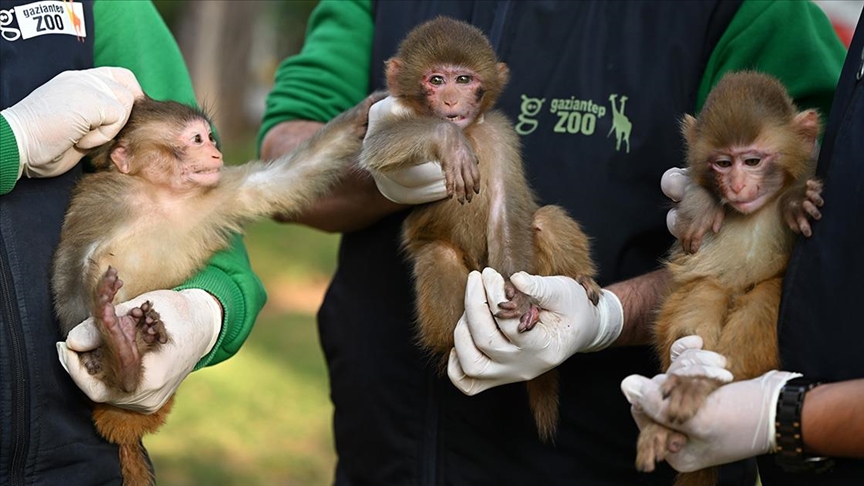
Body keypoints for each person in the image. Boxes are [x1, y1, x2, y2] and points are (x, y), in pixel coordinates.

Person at [258, 1, 845, 483]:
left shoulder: (754, 11)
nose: (455, 98)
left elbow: (823, 221)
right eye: (438, 83)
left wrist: (607, 316)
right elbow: (283, 153)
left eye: (467, 83)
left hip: (612, 451)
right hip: (383, 445)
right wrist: (386, 166)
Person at [0, 1, 266, 483]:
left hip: (77, 443)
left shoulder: (105, 7)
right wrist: (10, 143)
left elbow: (204, 198)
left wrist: (205, 312)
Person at [620, 14, 864, 485]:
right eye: (722, 165)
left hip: (773, 303)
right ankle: (680, 400)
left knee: (762, 307)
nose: (737, 182)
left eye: (753, 162)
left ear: (805, 134)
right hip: (707, 288)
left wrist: (779, 415)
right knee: (694, 309)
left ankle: (702, 402)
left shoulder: (802, 178)